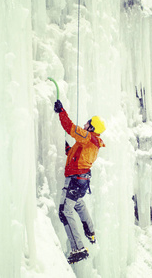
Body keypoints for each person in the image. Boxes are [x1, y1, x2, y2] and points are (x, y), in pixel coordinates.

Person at [54, 99, 106, 263]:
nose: (84, 125)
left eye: (87, 123)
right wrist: (67, 150)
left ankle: (78, 248)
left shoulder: (87, 137)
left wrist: (61, 111)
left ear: (92, 128)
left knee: (64, 211)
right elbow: (78, 156)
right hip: (82, 181)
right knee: (77, 204)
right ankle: (90, 232)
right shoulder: (93, 143)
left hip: (75, 180)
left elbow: (70, 127)